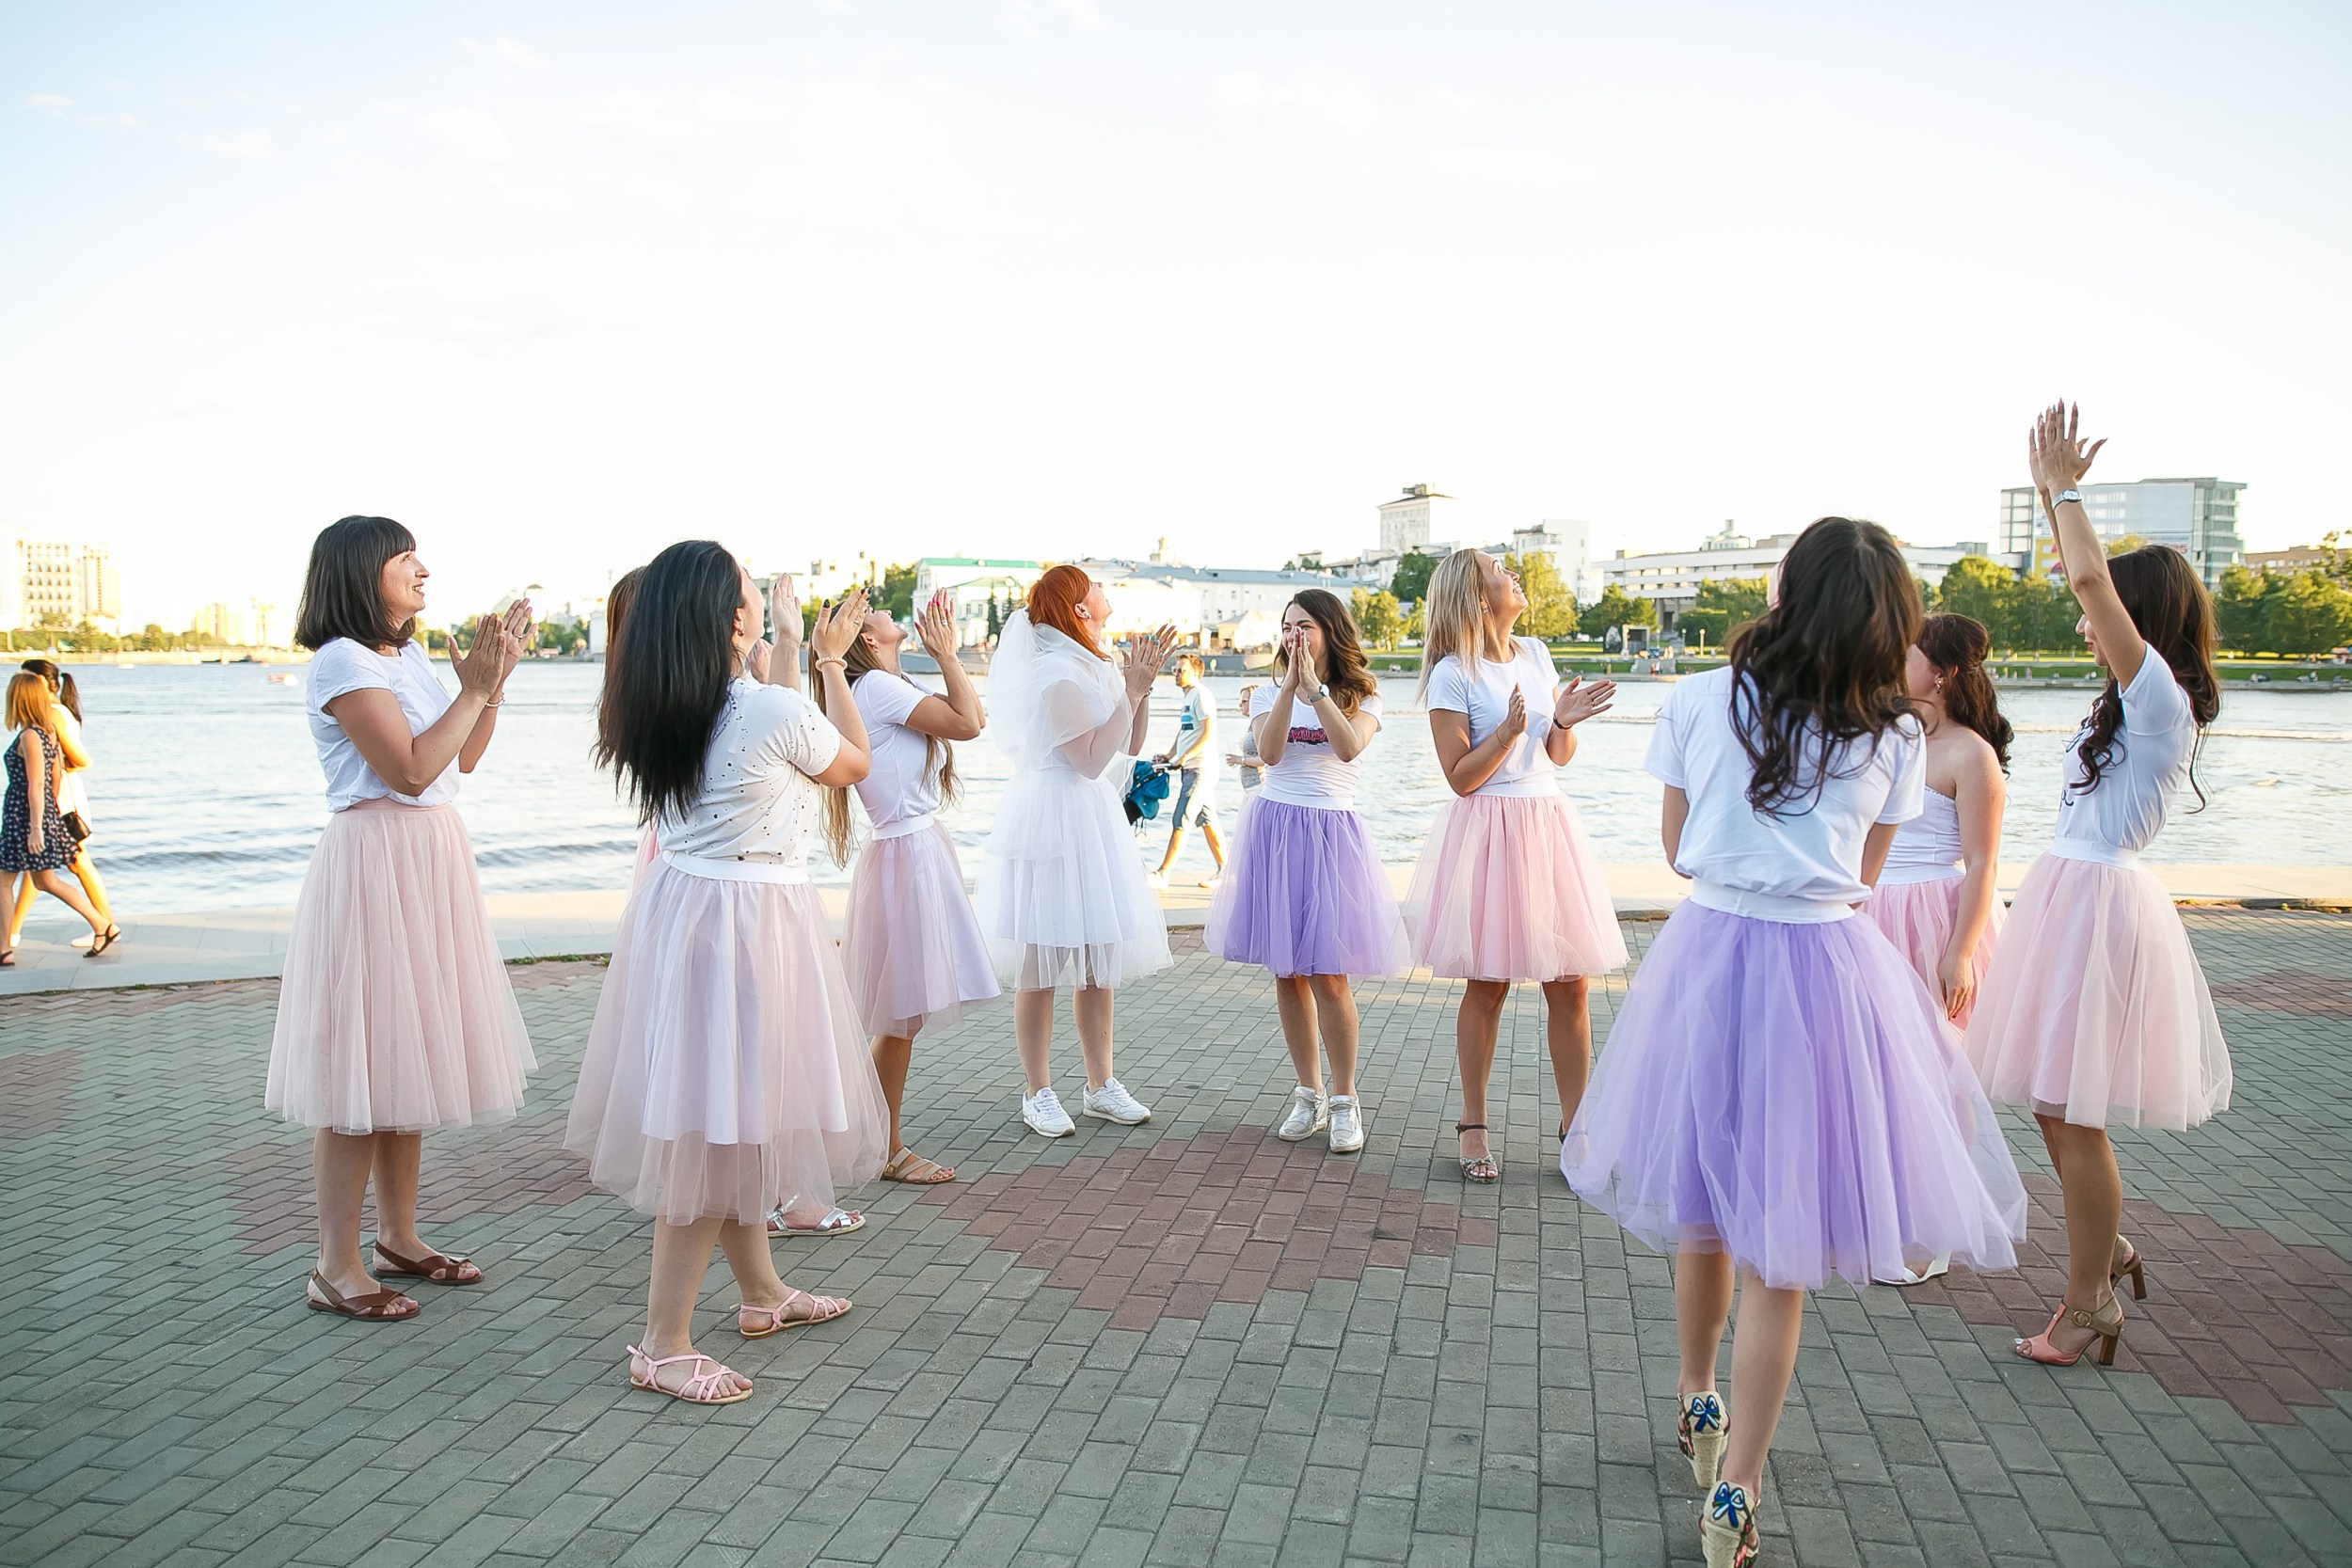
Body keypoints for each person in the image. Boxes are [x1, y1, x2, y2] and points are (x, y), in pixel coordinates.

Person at [1565, 516, 2027, 1568]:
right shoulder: (1898, 734)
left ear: (1785, 589)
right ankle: (1740, 1488)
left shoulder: (1695, 697)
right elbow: (1865, 873)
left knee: (1702, 1203)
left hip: (1713, 955)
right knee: (1783, 1255)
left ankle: (1696, 1398)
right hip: (1827, 969)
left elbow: (1680, 851)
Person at [567, 544, 887, 1406]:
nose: (756, 594)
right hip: (748, 925)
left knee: (735, 1115)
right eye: (749, 589)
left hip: (692, 914)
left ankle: (762, 1291)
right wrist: (825, 660)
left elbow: (772, 730)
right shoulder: (768, 708)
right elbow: (855, 764)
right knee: (717, 1133)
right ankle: (662, 1343)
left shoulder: (662, 708)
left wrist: (789, 655)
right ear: (732, 618)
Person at [1965, 404, 2233, 1370]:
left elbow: (2084, 571)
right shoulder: (2135, 698)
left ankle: (2087, 1303)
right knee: (2050, 1100)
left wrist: (2064, 489)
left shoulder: (2155, 693)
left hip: (2095, 907)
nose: (2083, 613)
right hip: (2069, 897)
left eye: (2105, 606)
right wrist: (2045, 494)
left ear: (2139, 616)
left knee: (2070, 1112)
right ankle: (2103, 1244)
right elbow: (2073, 571)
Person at [264, 515, 536, 1322]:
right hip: (376, 862)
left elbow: (466, 756)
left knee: (407, 1055)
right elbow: (411, 770)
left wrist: (495, 682)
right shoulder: (340, 661)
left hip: (429, 859)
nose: (423, 566)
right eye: (404, 555)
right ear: (361, 571)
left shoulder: (405, 654)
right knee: (362, 1068)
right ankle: (334, 1265)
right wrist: (475, 689)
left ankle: (399, 1238)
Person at [1405, 548, 1624, 1183]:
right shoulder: (1452, 674)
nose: (1516, 575)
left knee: (1572, 981)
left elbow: (1557, 753)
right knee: (1489, 981)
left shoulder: (1534, 653)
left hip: (1546, 823)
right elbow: (1460, 779)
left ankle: (1575, 1125)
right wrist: (1504, 733)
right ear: (1479, 596)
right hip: (1491, 832)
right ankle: (1474, 1123)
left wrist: (1562, 720)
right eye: (1503, 569)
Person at [977, 564, 1178, 1136]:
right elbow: (1087, 759)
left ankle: (1100, 1084)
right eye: (1093, 585)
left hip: (1090, 818)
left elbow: (1128, 746)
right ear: (1078, 607)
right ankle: (1037, 1090)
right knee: (1041, 962)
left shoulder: (1095, 664)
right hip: (1051, 816)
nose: (1103, 591)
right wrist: (1132, 691)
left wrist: (1141, 691)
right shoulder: (1055, 673)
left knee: (1098, 958)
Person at [1205, 591, 1406, 1153]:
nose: (1294, 635)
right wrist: (1289, 689)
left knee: (1330, 974)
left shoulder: (1363, 694)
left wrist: (1316, 693)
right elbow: (1268, 754)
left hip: (1331, 835)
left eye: (1305, 626)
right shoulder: (1268, 692)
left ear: (1329, 632)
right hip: (1275, 830)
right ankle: (1307, 1092)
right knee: (1287, 973)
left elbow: (1347, 748)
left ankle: (1345, 1098)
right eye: (1287, 626)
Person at [819, 589, 1000, 1185]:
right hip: (908, 853)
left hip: (908, 850)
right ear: (869, 640)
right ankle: (880, 1144)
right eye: (871, 612)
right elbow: (970, 723)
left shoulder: (876, 689)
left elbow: (971, 715)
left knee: (901, 1019)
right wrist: (948, 653)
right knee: (899, 1019)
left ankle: (870, 1137)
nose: (884, 610)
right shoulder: (877, 690)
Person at [2, 673, 117, 963]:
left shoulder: (30, 735)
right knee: (44, 882)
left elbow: (37, 783)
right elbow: (54, 777)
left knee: (5, 881)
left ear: (18, 700)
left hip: (24, 816)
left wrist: (36, 828)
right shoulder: (46, 732)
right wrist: (48, 814)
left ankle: (4, 949)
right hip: (35, 814)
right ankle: (102, 925)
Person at [1148, 652, 1225, 888]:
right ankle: (1226, 870)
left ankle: (1163, 873)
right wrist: (1170, 755)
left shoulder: (1201, 695)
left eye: (1182, 670)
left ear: (1196, 673)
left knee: (1182, 817)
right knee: (1207, 820)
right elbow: (1185, 732)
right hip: (1190, 767)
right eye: (1175, 670)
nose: (1176, 674)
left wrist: (1184, 757)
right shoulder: (1188, 697)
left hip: (1200, 768)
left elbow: (1208, 734)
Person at [1226, 681, 1264, 794]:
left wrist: (1240, 760)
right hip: (1249, 786)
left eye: (1244, 701)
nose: (1240, 705)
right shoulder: (1253, 724)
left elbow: (1265, 759)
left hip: (1258, 784)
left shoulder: (1261, 725)